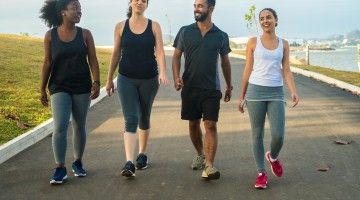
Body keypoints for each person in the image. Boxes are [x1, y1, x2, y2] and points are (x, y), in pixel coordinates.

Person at [39, 0, 100, 185]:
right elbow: (47, 62)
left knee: (79, 125)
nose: (78, 11)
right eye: (74, 8)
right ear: (63, 12)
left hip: (81, 86)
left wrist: (96, 82)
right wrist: (42, 88)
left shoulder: (85, 34)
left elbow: (93, 60)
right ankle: (59, 167)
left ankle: (78, 162)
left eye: (80, 8)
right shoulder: (50, 36)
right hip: (59, 86)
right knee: (60, 126)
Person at [106, 0, 168, 178]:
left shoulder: (154, 26)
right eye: (137, 0)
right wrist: (110, 78)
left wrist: (162, 72)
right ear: (131, 2)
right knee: (131, 118)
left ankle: (142, 154)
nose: (140, 2)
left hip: (149, 80)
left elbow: (160, 51)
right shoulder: (120, 27)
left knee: (144, 116)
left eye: (144, 1)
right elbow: (116, 53)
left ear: (147, 4)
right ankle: (129, 162)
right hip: (126, 79)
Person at [238, 8, 299, 189]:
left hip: (276, 92)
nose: (265, 21)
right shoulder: (252, 42)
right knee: (257, 134)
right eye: (262, 18)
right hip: (255, 92)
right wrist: (241, 96)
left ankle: (272, 156)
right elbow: (247, 70)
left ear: (276, 20)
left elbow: (286, 70)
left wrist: (293, 91)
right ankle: (261, 173)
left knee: (278, 135)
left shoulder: (284, 44)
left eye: (269, 18)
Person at [172, 0, 232, 180]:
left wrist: (229, 85)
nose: (196, 9)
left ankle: (209, 165)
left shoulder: (221, 35)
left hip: (211, 89)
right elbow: (176, 57)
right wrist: (176, 77)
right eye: (195, 5)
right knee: (193, 124)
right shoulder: (185, 31)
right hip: (190, 87)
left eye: (200, 6)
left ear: (210, 9)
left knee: (210, 125)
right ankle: (200, 153)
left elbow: (225, 62)